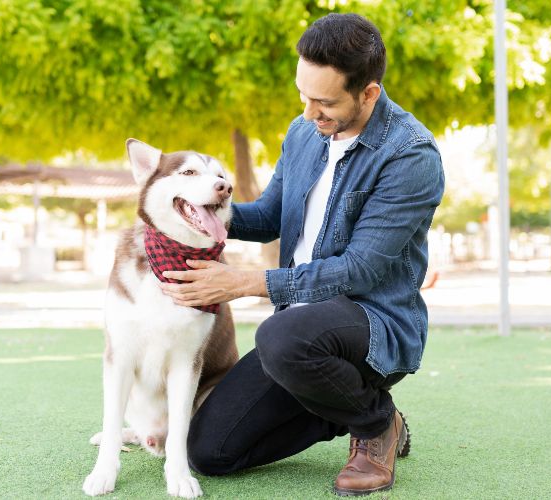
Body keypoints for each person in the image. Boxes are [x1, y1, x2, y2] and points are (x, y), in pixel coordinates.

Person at [158, 12, 445, 496]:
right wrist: (192, 204)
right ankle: (350, 406)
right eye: (304, 95)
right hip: (300, 331)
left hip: (375, 324)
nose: (311, 113)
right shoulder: (303, 132)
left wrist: (246, 283)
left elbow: (360, 270)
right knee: (208, 453)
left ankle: (375, 426)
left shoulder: (411, 156)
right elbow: (271, 215)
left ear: (369, 93)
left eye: (325, 102)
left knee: (281, 335)